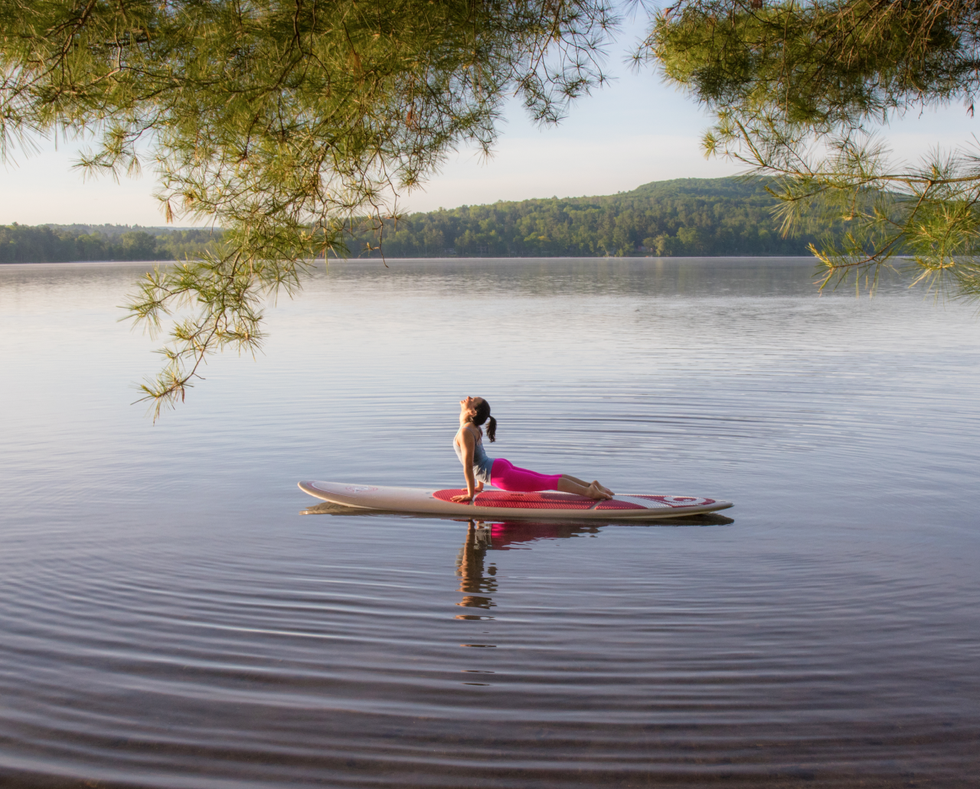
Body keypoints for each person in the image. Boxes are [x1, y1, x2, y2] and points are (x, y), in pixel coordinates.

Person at [452, 396, 614, 503]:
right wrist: (479, 487)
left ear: (472, 411)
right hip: (497, 466)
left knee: (547, 481)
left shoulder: (466, 431)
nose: (468, 398)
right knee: (546, 478)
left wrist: (470, 494)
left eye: (471, 399)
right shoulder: (472, 428)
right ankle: (589, 485)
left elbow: (468, 465)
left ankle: (589, 492)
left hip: (499, 475)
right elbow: (477, 460)